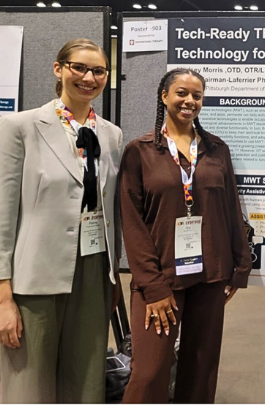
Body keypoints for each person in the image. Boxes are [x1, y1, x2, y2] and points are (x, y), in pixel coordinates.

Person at [119, 68, 252, 403]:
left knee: (200, 366)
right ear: (164, 96)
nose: (189, 101)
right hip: (161, 276)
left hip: (209, 273)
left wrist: (240, 266)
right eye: (181, 93)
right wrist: (152, 286)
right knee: (149, 371)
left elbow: (231, 209)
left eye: (196, 95)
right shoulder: (141, 151)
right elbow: (132, 223)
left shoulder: (216, 149)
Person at [0, 38, 122, 403]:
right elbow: (3, 215)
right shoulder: (20, 126)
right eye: (79, 68)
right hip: (34, 276)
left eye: (98, 70)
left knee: (85, 380)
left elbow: (109, 208)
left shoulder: (111, 135)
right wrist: (3, 296)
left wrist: (112, 274)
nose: (89, 77)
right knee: (28, 382)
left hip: (93, 269)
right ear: (59, 68)